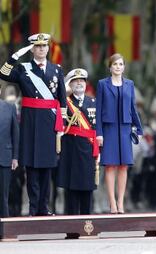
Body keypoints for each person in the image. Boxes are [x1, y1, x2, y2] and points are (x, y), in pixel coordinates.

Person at [0, 33, 66, 216]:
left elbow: (62, 100)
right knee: (32, 168)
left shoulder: (57, 70)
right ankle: (34, 208)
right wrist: (15, 56)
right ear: (32, 49)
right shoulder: (23, 69)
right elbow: (3, 74)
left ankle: (44, 208)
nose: (41, 49)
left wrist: (61, 128)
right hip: (30, 124)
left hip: (50, 124)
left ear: (48, 48)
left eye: (44, 46)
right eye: (37, 47)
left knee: (47, 168)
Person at [96, 53, 143, 214]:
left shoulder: (130, 84)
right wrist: (99, 133)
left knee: (124, 166)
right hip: (108, 128)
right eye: (115, 64)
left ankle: (121, 202)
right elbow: (98, 109)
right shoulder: (102, 84)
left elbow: (133, 108)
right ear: (110, 67)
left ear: (124, 67)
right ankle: (112, 203)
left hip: (124, 128)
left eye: (121, 64)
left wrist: (139, 127)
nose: (118, 67)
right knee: (110, 166)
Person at [56, 68, 99, 215]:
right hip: (71, 151)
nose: (79, 83)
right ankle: (71, 225)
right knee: (72, 188)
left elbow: (99, 127)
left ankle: (88, 223)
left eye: (82, 81)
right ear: (71, 85)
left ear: (86, 84)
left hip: (88, 150)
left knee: (87, 187)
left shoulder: (94, 102)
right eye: (75, 81)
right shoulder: (65, 103)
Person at [0, 87, 19, 217]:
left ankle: (4, 230)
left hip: (4, 158)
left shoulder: (9, 107)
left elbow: (15, 134)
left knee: (3, 196)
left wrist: (15, 157)